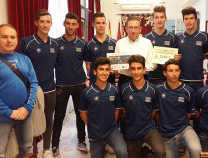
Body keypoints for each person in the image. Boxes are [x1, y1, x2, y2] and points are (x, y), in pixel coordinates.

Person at [0, 24, 38, 158]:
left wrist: (27, 108)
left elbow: (33, 83)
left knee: (27, 150)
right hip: (0, 117)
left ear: (17, 39)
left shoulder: (25, 59)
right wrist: (9, 112)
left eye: (12, 37)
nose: (9, 40)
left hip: (25, 115)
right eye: (4, 37)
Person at [18, 9, 58, 158]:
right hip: (32, 90)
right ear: (36, 23)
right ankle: (32, 151)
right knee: (33, 121)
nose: (45, 24)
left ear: (51, 24)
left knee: (48, 120)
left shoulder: (54, 44)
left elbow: (57, 66)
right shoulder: (27, 42)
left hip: (50, 90)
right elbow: (20, 67)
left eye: (48, 22)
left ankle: (46, 149)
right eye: (42, 21)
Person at [51, 13, 88, 157]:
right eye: (68, 23)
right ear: (64, 24)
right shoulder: (56, 43)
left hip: (79, 85)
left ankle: (81, 141)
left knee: (81, 115)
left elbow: (88, 63)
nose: (70, 26)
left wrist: (88, 79)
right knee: (59, 117)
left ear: (77, 25)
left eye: (73, 24)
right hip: (61, 86)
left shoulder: (82, 43)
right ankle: (55, 145)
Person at [79, 57, 127, 158]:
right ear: (95, 72)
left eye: (107, 70)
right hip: (95, 132)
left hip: (112, 129)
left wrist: (111, 123)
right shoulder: (86, 92)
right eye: (101, 69)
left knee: (123, 152)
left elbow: (117, 110)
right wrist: (91, 126)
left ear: (110, 71)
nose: (104, 73)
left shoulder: (115, 90)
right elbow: (83, 113)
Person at [121, 55, 165, 158]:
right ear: (129, 70)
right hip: (131, 130)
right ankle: (144, 152)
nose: (136, 72)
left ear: (144, 70)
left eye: (139, 68)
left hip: (149, 128)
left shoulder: (153, 89)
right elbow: (124, 111)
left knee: (161, 152)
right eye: (133, 68)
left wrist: (146, 120)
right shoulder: (124, 89)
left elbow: (154, 110)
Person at [157, 59, 201, 158]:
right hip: (166, 134)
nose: (174, 73)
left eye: (177, 70)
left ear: (180, 72)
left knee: (196, 150)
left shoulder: (188, 90)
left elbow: (189, 113)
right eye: (171, 71)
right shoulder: (158, 89)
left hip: (184, 129)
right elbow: (156, 112)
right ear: (165, 73)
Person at [115, 17, 156, 86]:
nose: (133, 30)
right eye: (130, 27)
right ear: (126, 29)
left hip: (142, 79)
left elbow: (153, 64)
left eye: (136, 28)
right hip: (125, 79)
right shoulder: (119, 43)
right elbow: (116, 65)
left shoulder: (147, 43)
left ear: (140, 29)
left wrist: (139, 69)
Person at [176, 6, 208, 92]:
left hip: (198, 80)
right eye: (186, 19)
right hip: (181, 79)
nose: (189, 21)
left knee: (197, 105)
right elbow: (174, 56)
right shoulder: (178, 37)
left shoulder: (203, 36)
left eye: (191, 18)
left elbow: (206, 55)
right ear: (183, 21)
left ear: (196, 20)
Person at [144, 5, 178, 85]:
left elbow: (176, 59)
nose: (159, 20)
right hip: (150, 78)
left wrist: (177, 58)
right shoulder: (146, 38)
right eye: (157, 17)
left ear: (165, 19)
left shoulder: (173, 37)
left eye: (162, 17)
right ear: (153, 20)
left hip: (168, 79)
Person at [84, 12, 116, 84]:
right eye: (98, 23)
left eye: (103, 23)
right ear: (93, 25)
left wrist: (114, 70)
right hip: (95, 82)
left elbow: (117, 63)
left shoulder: (114, 43)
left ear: (106, 24)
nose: (101, 26)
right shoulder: (89, 44)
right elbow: (88, 66)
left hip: (110, 81)